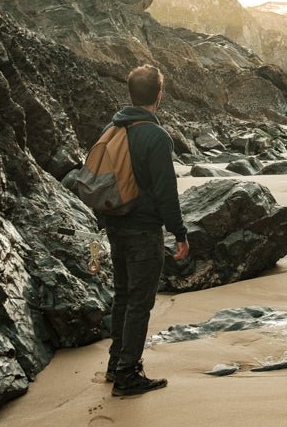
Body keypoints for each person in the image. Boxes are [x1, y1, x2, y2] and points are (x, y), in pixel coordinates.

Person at [103, 64, 190, 396]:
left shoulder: (112, 129)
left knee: (123, 296)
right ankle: (128, 373)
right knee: (140, 302)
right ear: (159, 95)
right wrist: (179, 233)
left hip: (115, 225)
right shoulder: (156, 136)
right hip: (143, 230)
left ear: (131, 93)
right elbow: (166, 192)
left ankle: (115, 364)